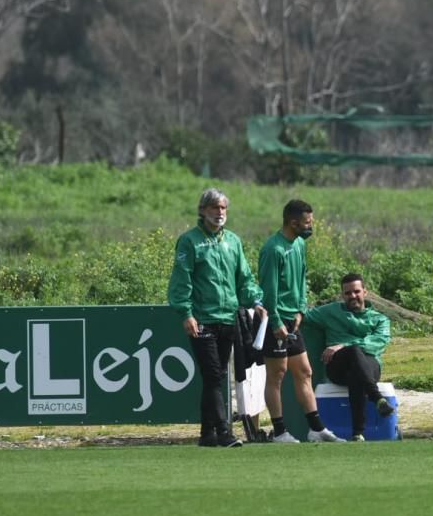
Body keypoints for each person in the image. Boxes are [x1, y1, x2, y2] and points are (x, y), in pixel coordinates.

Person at [168, 188, 267, 447]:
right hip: (202, 318)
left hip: (228, 317)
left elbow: (243, 278)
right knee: (214, 376)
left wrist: (255, 300)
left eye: (223, 208)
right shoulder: (189, 241)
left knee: (218, 373)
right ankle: (224, 432)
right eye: (214, 208)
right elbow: (181, 281)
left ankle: (206, 434)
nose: (219, 212)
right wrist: (186, 313)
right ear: (202, 210)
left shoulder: (233, 240)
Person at [258, 198, 343, 443]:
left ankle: (316, 429)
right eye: (306, 223)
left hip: (293, 317)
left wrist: (301, 310)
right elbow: (268, 291)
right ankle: (280, 431)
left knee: (305, 372)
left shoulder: (299, 245)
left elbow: (302, 278)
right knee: (277, 374)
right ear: (292, 223)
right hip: (278, 320)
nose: (310, 227)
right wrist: (275, 322)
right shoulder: (273, 249)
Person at [304, 273, 396, 441]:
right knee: (353, 354)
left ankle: (357, 433)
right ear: (342, 295)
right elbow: (304, 315)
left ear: (365, 292)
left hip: (369, 366)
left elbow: (379, 341)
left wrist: (344, 345)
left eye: (356, 291)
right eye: (347, 293)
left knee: (356, 372)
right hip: (337, 366)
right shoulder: (330, 311)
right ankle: (377, 398)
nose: (352, 296)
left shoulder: (379, 319)